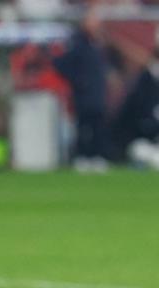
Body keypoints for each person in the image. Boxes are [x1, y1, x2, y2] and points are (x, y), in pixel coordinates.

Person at [54, 10, 109, 172]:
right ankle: (82, 157)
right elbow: (60, 63)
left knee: (97, 127)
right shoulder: (78, 44)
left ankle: (97, 156)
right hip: (84, 96)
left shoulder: (97, 44)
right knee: (83, 128)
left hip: (97, 94)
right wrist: (79, 81)